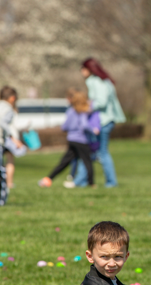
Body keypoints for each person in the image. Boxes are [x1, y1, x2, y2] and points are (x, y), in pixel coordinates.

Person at [76, 58, 125, 188]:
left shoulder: (96, 81)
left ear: (89, 69)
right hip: (104, 120)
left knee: (101, 152)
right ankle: (81, 180)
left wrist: (87, 106)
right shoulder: (104, 81)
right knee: (93, 152)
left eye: (83, 68)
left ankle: (110, 182)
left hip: (102, 122)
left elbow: (101, 101)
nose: (81, 71)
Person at [38, 89, 100, 189]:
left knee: (64, 162)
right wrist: (93, 130)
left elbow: (64, 126)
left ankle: (48, 179)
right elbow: (84, 125)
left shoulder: (70, 111)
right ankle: (91, 183)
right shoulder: (82, 112)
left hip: (71, 139)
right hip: (81, 140)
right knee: (87, 161)